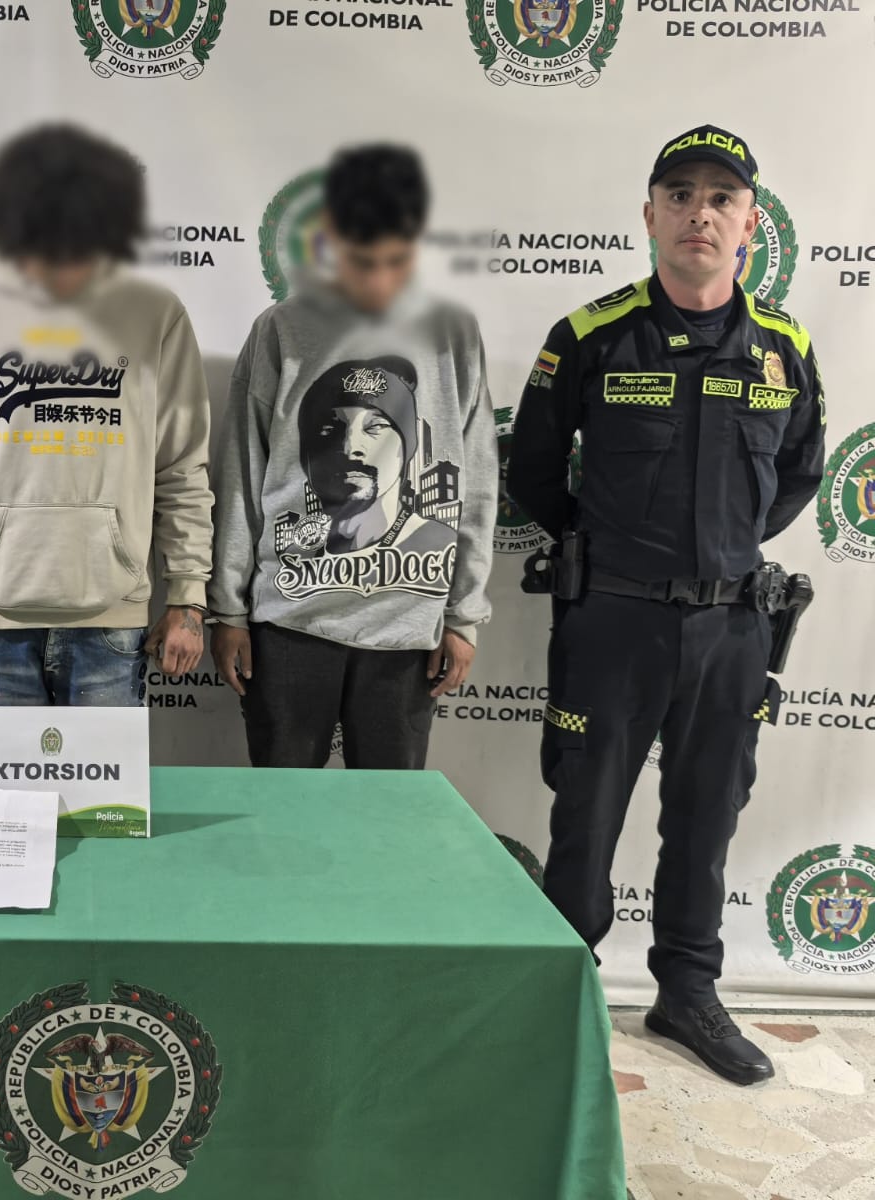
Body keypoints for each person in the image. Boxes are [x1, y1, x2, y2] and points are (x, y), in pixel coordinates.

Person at [508, 125, 826, 1085]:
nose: (700, 213)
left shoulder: (784, 346)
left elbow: (799, 474)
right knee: (586, 814)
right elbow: (533, 472)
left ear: (750, 225)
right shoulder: (590, 336)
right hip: (614, 622)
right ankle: (561, 997)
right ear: (649, 216)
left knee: (707, 817)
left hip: (734, 627)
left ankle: (687, 992)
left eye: (722, 198)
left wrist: (722, 554)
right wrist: (614, 554)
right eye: (680, 194)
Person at [209, 145, 497, 769]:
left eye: (395, 260)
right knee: (283, 810)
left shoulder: (452, 332)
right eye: (362, 259)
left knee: (388, 817)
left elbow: (476, 481)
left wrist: (463, 615)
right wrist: (228, 609)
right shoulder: (281, 328)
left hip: (407, 624)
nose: (377, 281)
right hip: (290, 621)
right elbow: (241, 476)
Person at [0, 124, 213, 706]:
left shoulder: (156, 315)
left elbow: (181, 471)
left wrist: (188, 597)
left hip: (110, 615)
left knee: (103, 776)